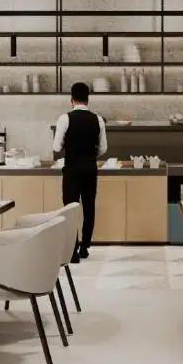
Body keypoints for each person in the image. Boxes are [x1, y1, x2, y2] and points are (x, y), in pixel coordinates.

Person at [52, 82, 108, 260]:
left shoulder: (65, 119)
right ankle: (84, 247)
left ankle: (73, 250)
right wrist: (90, 156)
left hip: (72, 169)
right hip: (90, 169)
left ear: (72, 100)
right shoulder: (98, 120)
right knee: (89, 208)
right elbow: (103, 148)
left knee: (70, 209)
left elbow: (56, 146)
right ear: (88, 99)